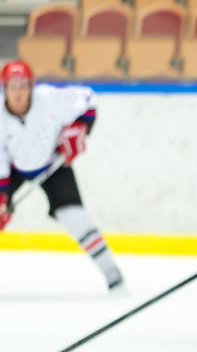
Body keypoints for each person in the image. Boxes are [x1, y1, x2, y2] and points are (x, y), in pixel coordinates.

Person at [0, 60, 123, 291]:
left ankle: (111, 272)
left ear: (31, 86)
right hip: (14, 169)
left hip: (53, 163)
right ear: (4, 88)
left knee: (75, 218)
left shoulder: (49, 99)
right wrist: (2, 197)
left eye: (23, 85)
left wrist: (80, 127)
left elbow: (88, 99)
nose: (18, 92)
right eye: (12, 86)